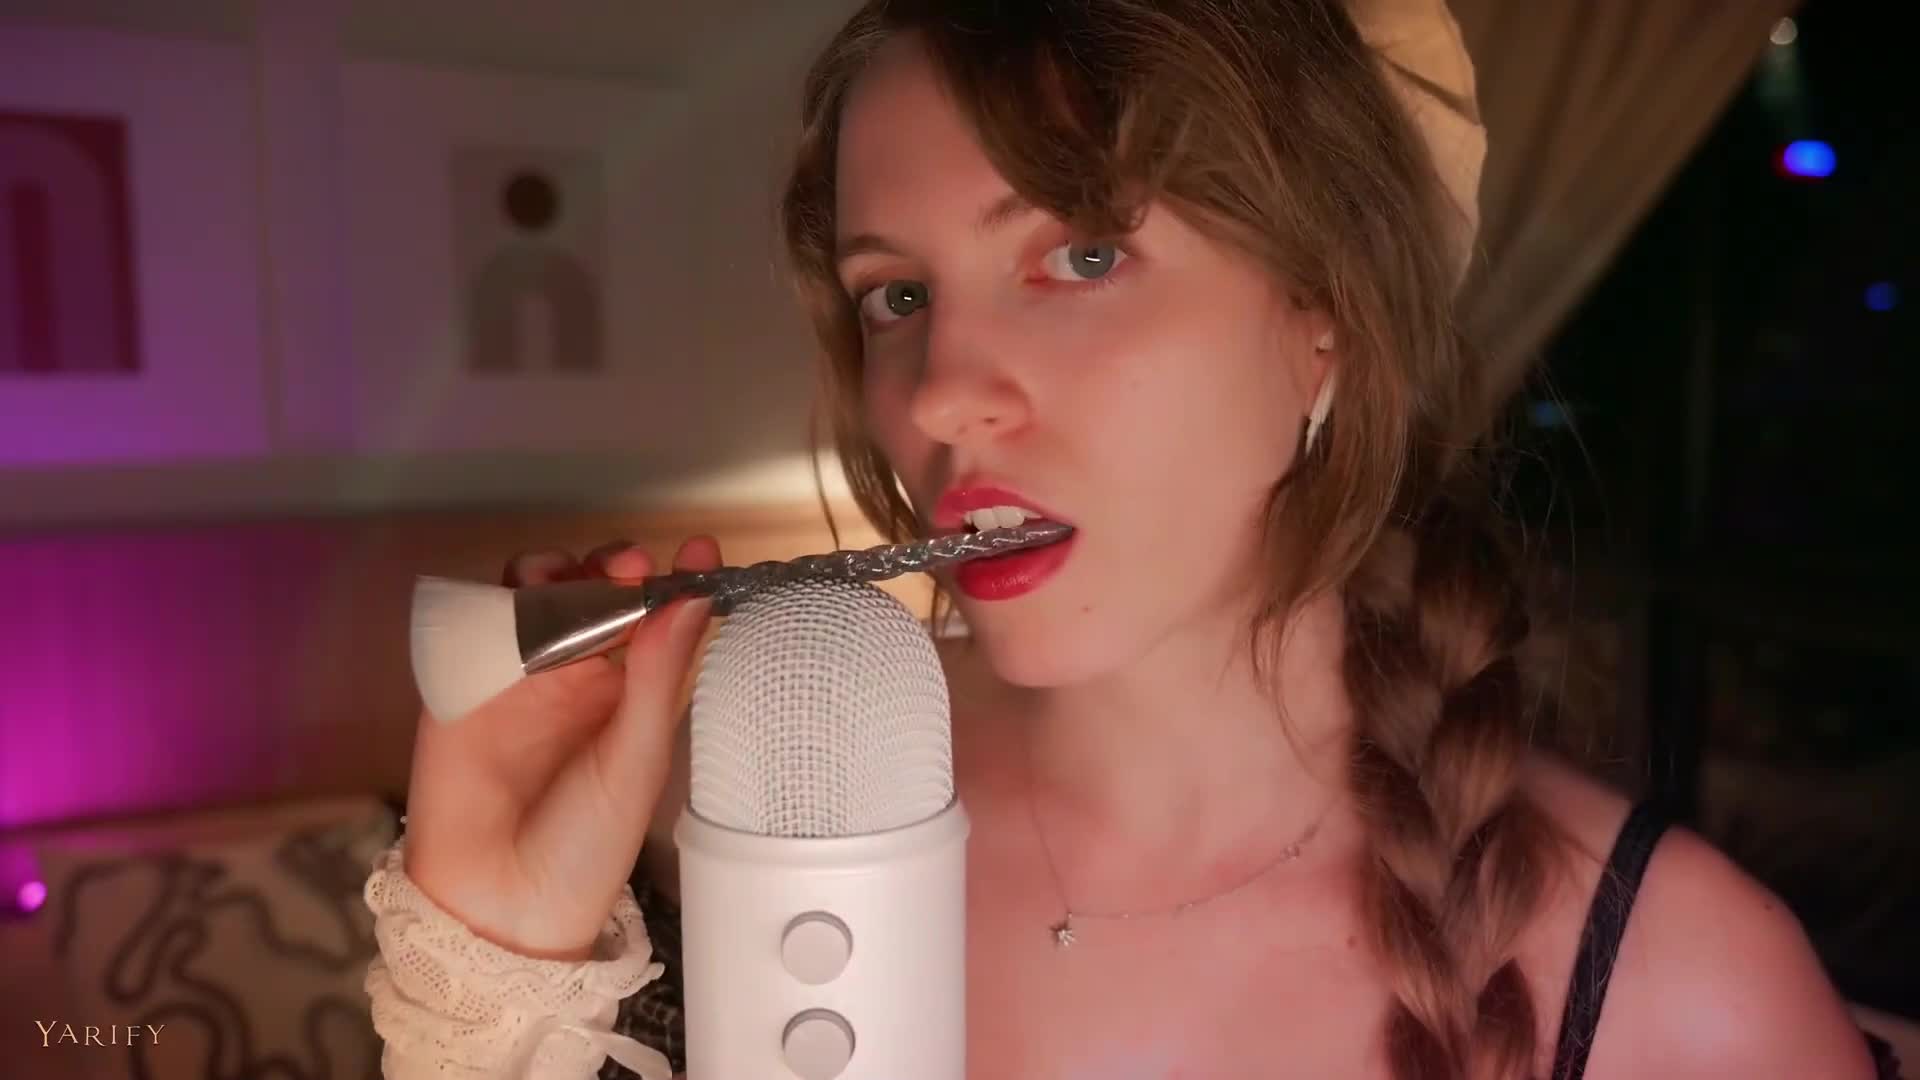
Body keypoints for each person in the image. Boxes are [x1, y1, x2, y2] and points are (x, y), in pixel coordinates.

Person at [362, 1, 1900, 1077]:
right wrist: (492, 981)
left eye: (1083, 256)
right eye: (898, 294)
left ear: (1325, 320)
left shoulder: (1683, 997)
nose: (941, 391)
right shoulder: (773, 799)